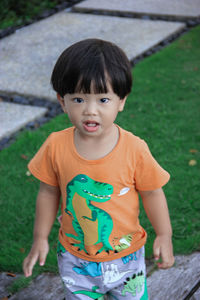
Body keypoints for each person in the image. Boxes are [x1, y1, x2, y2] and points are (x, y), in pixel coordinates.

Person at [23, 38, 174, 299]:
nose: (90, 111)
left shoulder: (135, 149)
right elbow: (48, 192)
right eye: (79, 99)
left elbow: (152, 192)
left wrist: (164, 234)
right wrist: (40, 237)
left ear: (121, 101)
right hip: (74, 259)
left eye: (103, 99)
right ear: (62, 101)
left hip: (127, 258)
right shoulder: (55, 146)